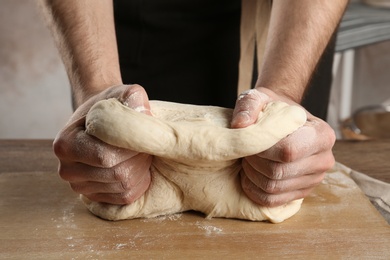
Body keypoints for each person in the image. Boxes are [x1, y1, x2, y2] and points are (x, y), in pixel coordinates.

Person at [39, 0, 347, 207]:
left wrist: (284, 92)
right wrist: (97, 88)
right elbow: (105, 110)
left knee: (284, 158)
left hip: (286, 28)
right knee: (113, 163)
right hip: (136, 29)